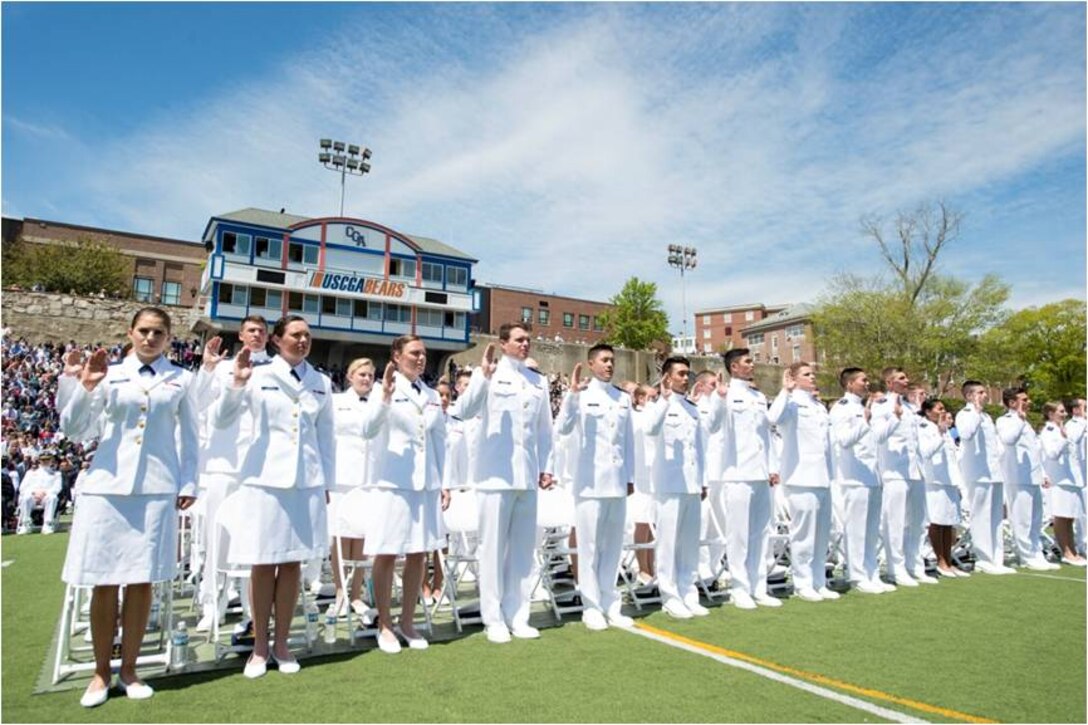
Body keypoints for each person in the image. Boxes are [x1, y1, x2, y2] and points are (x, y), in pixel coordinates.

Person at [59, 307, 198, 707]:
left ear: (169, 337)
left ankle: (130, 669)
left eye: (158, 332)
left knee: (141, 580)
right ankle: (101, 672)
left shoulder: (182, 380)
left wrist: (188, 481)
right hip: (108, 487)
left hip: (156, 487)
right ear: (130, 333)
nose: (150, 338)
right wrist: (85, 386)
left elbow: (191, 438)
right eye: (144, 331)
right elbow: (75, 429)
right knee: (105, 581)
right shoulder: (110, 372)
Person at [214, 315, 335, 678]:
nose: (302, 341)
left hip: (305, 481)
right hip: (265, 479)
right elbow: (222, 419)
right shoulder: (258, 374)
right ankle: (259, 645)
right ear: (277, 340)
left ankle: (282, 643)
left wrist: (325, 482)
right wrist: (235, 385)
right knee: (263, 563)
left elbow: (326, 439)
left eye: (307, 336)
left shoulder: (321, 383)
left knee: (293, 564)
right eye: (295, 335)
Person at [454, 323, 554, 644]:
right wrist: (481, 376)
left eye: (528, 340)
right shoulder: (489, 375)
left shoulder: (538, 381)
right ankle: (493, 617)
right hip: (495, 475)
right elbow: (463, 411)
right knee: (493, 548)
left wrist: (547, 467)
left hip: (526, 475)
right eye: (519, 340)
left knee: (523, 550)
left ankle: (518, 614)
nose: (525, 345)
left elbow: (544, 430)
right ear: (503, 343)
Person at [360, 336, 448, 653]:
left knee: (418, 553)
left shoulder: (430, 394)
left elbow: (440, 442)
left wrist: (444, 483)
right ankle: (385, 623)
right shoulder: (383, 389)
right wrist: (383, 397)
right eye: (414, 353)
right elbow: (367, 430)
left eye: (424, 353)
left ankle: (407, 622)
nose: (420, 358)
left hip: (424, 484)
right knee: (386, 552)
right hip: (392, 482)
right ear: (396, 356)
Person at [189, 316, 270, 632]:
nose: (257, 335)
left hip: (259, 466)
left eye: (262, 331)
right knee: (217, 538)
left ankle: (254, 607)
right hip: (223, 463)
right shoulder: (222, 368)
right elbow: (197, 403)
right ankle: (212, 603)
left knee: (255, 541)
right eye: (252, 330)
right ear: (241, 334)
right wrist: (207, 367)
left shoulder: (275, 370)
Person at [554, 344, 636, 630]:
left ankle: (610, 602)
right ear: (591, 364)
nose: (609, 365)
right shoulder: (581, 397)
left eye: (612, 360)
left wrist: (630, 477)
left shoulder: (622, 398)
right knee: (588, 546)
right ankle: (590, 605)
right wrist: (571, 398)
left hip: (616, 481)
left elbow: (628, 441)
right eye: (604, 360)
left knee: (613, 546)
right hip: (589, 483)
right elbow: (562, 429)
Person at [641, 356, 717, 618]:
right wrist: (662, 399)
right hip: (669, 485)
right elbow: (649, 429)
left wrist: (703, 481)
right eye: (681, 374)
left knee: (688, 543)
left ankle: (688, 591)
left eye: (688, 374)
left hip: (692, 485)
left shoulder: (692, 408)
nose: (686, 378)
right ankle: (670, 595)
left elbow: (701, 448)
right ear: (667, 377)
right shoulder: (658, 405)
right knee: (668, 543)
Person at [767, 363, 838, 602]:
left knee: (821, 533)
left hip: (822, 477)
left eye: (812, 374)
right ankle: (802, 582)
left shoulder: (818, 407)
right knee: (804, 534)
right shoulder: (791, 403)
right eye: (807, 375)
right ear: (794, 379)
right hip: (800, 476)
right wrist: (785, 391)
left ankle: (819, 580)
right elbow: (773, 418)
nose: (813, 377)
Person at [718, 349, 779, 610]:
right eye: (747, 362)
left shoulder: (757, 396)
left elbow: (765, 435)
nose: (752, 365)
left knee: (760, 533)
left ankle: (758, 586)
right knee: (739, 534)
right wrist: (720, 400)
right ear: (734, 367)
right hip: (738, 473)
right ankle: (740, 588)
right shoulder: (726, 394)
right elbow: (717, 428)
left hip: (759, 471)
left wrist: (772, 466)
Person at [829, 368, 893, 594]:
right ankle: (857, 575)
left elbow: (876, 440)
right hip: (853, 477)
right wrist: (864, 423)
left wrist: (893, 418)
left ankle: (871, 571)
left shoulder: (865, 408)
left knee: (871, 529)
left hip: (872, 475)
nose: (867, 383)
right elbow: (844, 441)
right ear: (849, 384)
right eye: (863, 380)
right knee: (856, 529)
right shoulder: (842, 408)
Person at [871, 367, 933, 586]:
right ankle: (896, 568)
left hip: (915, 471)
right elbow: (877, 435)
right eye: (901, 378)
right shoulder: (882, 406)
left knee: (916, 522)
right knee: (895, 523)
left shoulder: (910, 407)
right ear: (889, 383)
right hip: (894, 471)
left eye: (906, 377)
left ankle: (914, 565)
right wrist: (894, 419)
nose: (906, 381)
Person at [328, 358, 378, 621]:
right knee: (339, 537)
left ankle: (356, 593)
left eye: (370, 375)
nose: (366, 379)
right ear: (349, 376)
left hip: (368, 477)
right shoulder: (336, 403)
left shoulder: (378, 403)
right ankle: (340, 591)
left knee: (361, 538)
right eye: (361, 374)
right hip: (341, 475)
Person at [956, 381, 1014, 575]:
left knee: (996, 518)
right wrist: (975, 411)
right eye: (980, 393)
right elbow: (966, 434)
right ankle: (984, 558)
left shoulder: (987, 417)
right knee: (980, 516)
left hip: (993, 473)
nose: (985, 395)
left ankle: (997, 558)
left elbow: (996, 446)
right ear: (969, 396)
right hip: (977, 474)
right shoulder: (965, 415)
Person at [996, 387, 1056, 571]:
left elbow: (1034, 451)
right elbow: (1008, 439)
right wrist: (1020, 421)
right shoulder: (1005, 421)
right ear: (1012, 403)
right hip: (1017, 477)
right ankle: (1025, 555)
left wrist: (1043, 474)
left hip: (1032, 477)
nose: (1028, 402)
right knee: (1022, 519)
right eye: (1024, 399)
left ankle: (1036, 552)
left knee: (1035, 519)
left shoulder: (1026, 423)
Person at [917, 399, 968, 577]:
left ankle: (948, 558)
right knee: (937, 522)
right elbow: (926, 453)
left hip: (949, 480)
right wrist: (940, 432)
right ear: (928, 412)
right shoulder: (924, 427)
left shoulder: (945, 429)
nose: (943, 412)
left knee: (948, 522)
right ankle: (940, 561)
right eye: (939, 409)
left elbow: (952, 457)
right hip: (935, 481)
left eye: (944, 408)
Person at [1039, 402, 1086, 566]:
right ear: (1051, 414)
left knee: (1070, 517)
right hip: (1059, 480)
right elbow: (1051, 453)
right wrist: (1064, 440)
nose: (1064, 414)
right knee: (1061, 516)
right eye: (1061, 411)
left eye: (1064, 411)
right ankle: (1066, 552)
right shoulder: (1049, 431)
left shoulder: (1062, 429)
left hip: (1072, 479)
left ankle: (1073, 550)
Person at [629, 384, 659, 584]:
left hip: (654, 475)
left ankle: (651, 567)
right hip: (640, 476)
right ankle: (642, 568)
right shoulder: (636, 417)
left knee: (652, 524)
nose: (654, 402)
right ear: (640, 399)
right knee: (642, 522)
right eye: (651, 397)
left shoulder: (653, 415)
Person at [16, 450, 62, 534]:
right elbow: (22, 488)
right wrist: (34, 493)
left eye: (48, 459)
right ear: (39, 460)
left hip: (46, 497)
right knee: (25, 497)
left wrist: (45, 493)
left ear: (51, 460)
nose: (45, 462)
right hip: (33, 497)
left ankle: (47, 524)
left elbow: (57, 488)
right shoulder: (30, 473)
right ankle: (26, 524)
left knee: (53, 497)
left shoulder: (56, 474)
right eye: (43, 460)